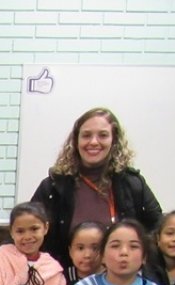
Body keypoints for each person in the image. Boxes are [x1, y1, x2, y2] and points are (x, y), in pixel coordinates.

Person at [31, 107, 162, 268]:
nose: (93, 142)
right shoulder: (53, 186)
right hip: (66, 278)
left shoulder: (132, 184)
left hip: (121, 277)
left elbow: (157, 229)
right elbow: (27, 227)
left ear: (114, 140)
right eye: (86, 135)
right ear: (76, 141)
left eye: (103, 135)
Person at [65, 221, 104, 285]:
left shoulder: (112, 277)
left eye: (95, 248)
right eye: (80, 248)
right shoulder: (63, 278)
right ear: (70, 251)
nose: (87, 255)